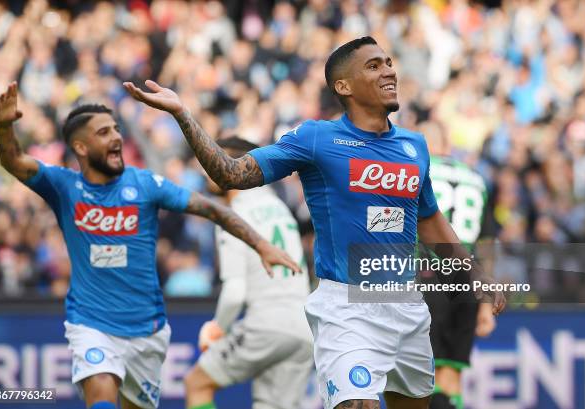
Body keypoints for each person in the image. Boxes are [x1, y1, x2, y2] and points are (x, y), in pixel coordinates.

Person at [124, 36, 506, 409]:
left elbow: (431, 221)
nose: (388, 71)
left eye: (388, 62)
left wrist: (477, 279)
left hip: (406, 304)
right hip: (347, 308)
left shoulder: (414, 146)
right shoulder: (317, 139)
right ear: (344, 86)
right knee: (357, 404)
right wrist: (183, 115)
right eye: (373, 66)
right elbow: (231, 174)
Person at [0, 82, 299, 409]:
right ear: (81, 147)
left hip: (146, 330)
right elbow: (14, 161)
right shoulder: (64, 186)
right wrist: (4, 126)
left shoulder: (145, 184)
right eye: (103, 132)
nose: (116, 137)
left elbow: (213, 208)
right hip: (91, 323)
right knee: (100, 389)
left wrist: (260, 244)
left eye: (115, 129)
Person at [183, 136, 313, 409]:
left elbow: (234, 293)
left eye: (212, 161)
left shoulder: (236, 214)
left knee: (197, 383)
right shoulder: (279, 207)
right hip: (304, 327)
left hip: (266, 323)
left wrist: (217, 328)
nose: (207, 169)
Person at [420, 122, 497, 409]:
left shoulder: (418, 173)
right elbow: (487, 246)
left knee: (417, 378)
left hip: (427, 273)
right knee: (451, 375)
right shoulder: (476, 180)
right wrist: (487, 302)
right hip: (467, 279)